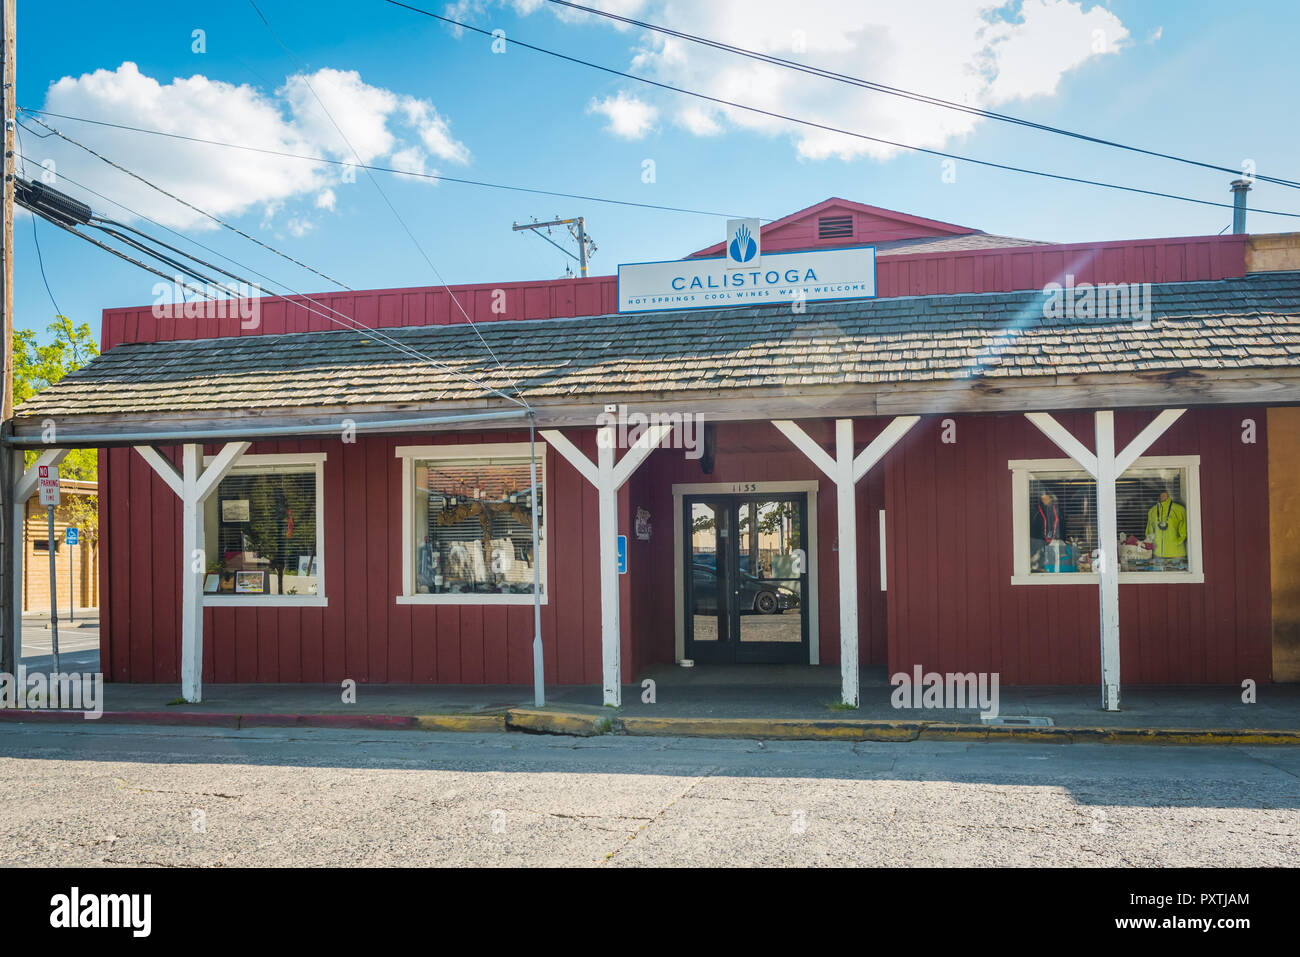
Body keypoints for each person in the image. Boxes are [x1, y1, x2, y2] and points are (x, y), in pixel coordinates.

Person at [1145, 490, 1187, 570]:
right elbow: (1149, 532)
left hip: (1176, 553)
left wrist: (1176, 542)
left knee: (1177, 578)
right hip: (1158, 554)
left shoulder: (1179, 509)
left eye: (1166, 494)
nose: (1163, 496)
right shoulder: (1152, 511)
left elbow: (1184, 530)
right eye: (1162, 494)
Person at [1029, 490, 1063, 571]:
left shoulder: (1057, 509)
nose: (1045, 498)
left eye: (1047, 497)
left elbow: (1061, 523)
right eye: (1043, 496)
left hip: (1053, 540)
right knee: (1036, 561)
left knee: (1052, 562)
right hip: (1037, 540)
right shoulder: (1035, 510)